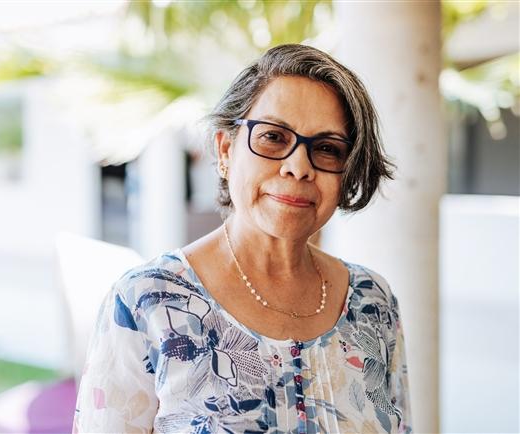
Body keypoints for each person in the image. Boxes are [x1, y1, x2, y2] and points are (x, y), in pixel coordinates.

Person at [73, 43, 413, 434]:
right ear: (225, 149)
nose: (298, 167)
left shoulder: (374, 301)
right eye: (273, 137)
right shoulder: (146, 302)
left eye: (327, 148)